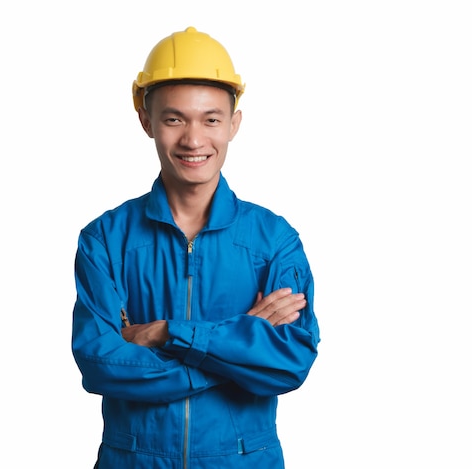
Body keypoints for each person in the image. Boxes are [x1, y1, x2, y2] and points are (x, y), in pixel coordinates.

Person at [71, 26, 320, 469]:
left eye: (211, 119)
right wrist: (237, 348)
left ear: (233, 124)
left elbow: (288, 363)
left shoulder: (273, 241)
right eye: (174, 118)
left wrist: (168, 332)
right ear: (147, 120)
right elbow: (99, 364)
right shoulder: (105, 240)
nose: (193, 139)